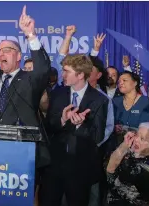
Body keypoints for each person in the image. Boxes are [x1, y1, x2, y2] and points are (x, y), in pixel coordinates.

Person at [39, 54, 109, 206]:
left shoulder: (99, 99)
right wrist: (62, 120)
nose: (62, 74)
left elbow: (98, 136)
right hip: (54, 166)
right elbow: (49, 126)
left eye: (66, 71)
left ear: (80, 75)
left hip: (81, 169)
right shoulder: (57, 94)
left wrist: (80, 125)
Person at [0, 6, 50, 128]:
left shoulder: (29, 80)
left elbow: (42, 69)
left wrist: (30, 35)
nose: (1, 54)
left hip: (24, 144)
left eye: (7, 50)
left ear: (18, 56)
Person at [106, 122, 149, 206]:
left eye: (143, 139)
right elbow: (109, 171)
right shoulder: (130, 151)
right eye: (137, 134)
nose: (136, 140)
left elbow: (111, 177)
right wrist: (124, 146)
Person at [113, 71, 149, 145]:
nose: (120, 83)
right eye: (119, 81)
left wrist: (126, 129)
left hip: (139, 145)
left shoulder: (145, 102)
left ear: (135, 83)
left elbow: (148, 129)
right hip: (117, 145)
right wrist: (114, 127)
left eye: (124, 80)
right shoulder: (115, 101)